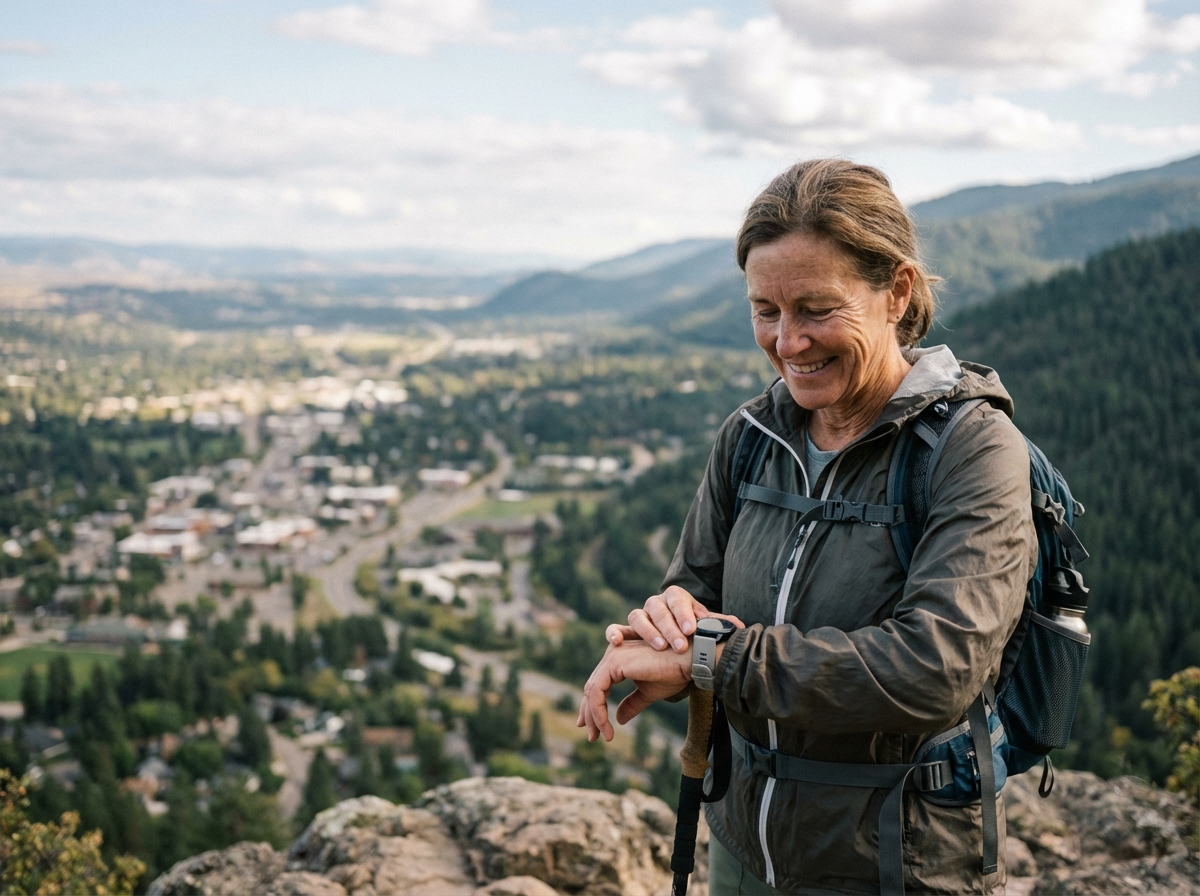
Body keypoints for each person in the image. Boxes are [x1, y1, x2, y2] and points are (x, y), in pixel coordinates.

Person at [578, 159, 1037, 895]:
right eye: (766, 310)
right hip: (743, 843)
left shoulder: (972, 449)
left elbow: (935, 668)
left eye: (817, 309)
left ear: (897, 291)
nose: (788, 342)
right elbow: (692, 592)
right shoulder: (753, 434)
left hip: (894, 859)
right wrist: (662, 627)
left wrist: (715, 661)